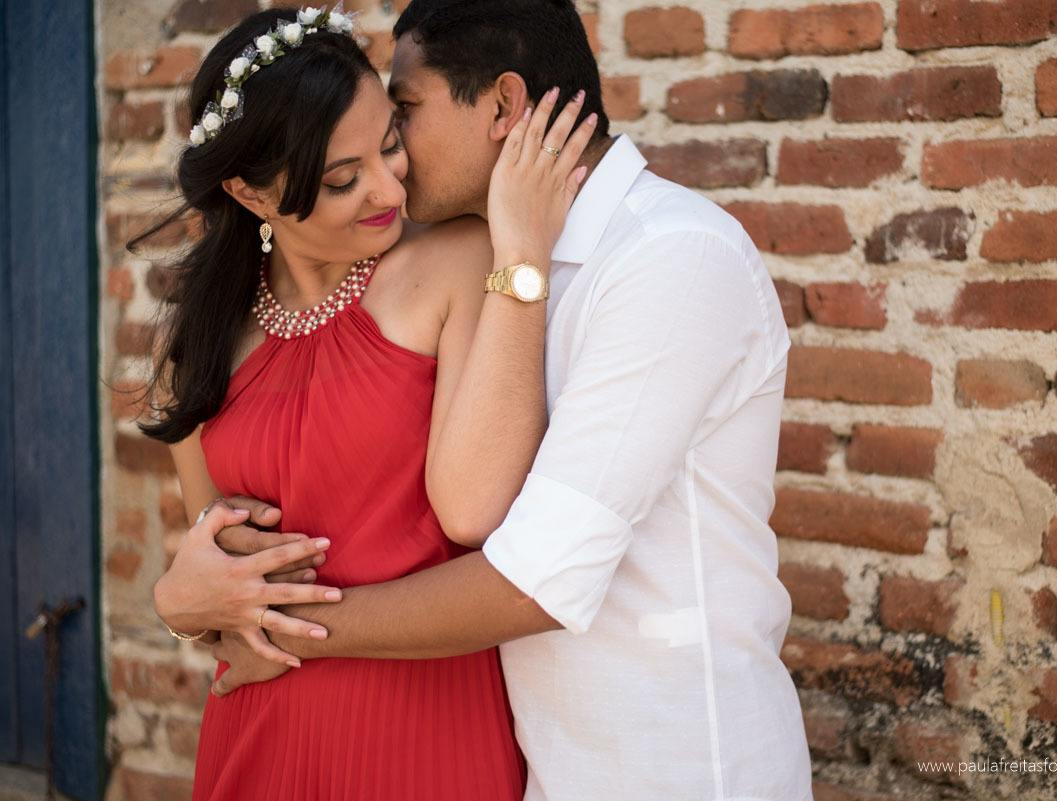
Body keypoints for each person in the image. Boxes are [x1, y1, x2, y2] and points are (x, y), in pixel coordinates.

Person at [208, 1, 814, 800]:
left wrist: (277, 628)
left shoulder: (669, 256)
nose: (395, 151)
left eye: (405, 111)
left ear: (502, 105)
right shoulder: (499, 257)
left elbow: (538, 579)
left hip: (676, 765)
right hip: (542, 765)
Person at [143, 5, 595, 799]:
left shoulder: (460, 262)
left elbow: (477, 508)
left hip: (427, 728)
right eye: (342, 180)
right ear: (249, 193)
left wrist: (522, 251)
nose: (391, 187)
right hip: (259, 730)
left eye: (390, 142)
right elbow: (219, 572)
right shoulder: (200, 338)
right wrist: (178, 602)